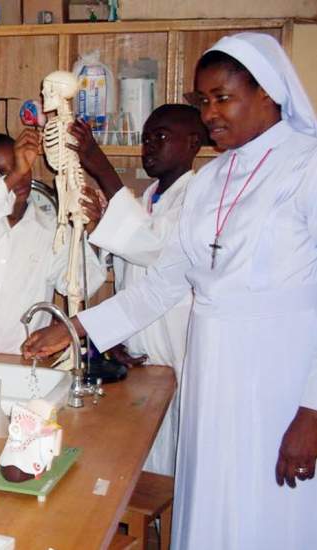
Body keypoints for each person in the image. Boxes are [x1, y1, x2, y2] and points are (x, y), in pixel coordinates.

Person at [22, 33, 317, 549]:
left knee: (270, 511)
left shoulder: (307, 166)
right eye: (203, 101)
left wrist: (313, 413)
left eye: (223, 98)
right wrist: (76, 329)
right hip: (211, 370)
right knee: (211, 501)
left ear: (269, 92)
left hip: (280, 377)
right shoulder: (211, 180)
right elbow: (164, 283)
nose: (210, 114)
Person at [67, 104, 206, 475]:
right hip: (141, 355)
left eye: (160, 137)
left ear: (194, 143)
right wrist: (113, 335)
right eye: (146, 139)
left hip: (176, 351)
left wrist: (98, 161)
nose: (148, 147)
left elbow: (152, 248)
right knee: (141, 460)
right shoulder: (147, 200)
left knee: (176, 461)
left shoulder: (196, 200)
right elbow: (129, 280)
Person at [0, 130, 106, 353]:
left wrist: (92, 230)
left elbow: (81, 284)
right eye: (1, 173)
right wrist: (16, 172)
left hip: (19, 356)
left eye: (21, 165)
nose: (21, 174)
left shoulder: (52, 230)